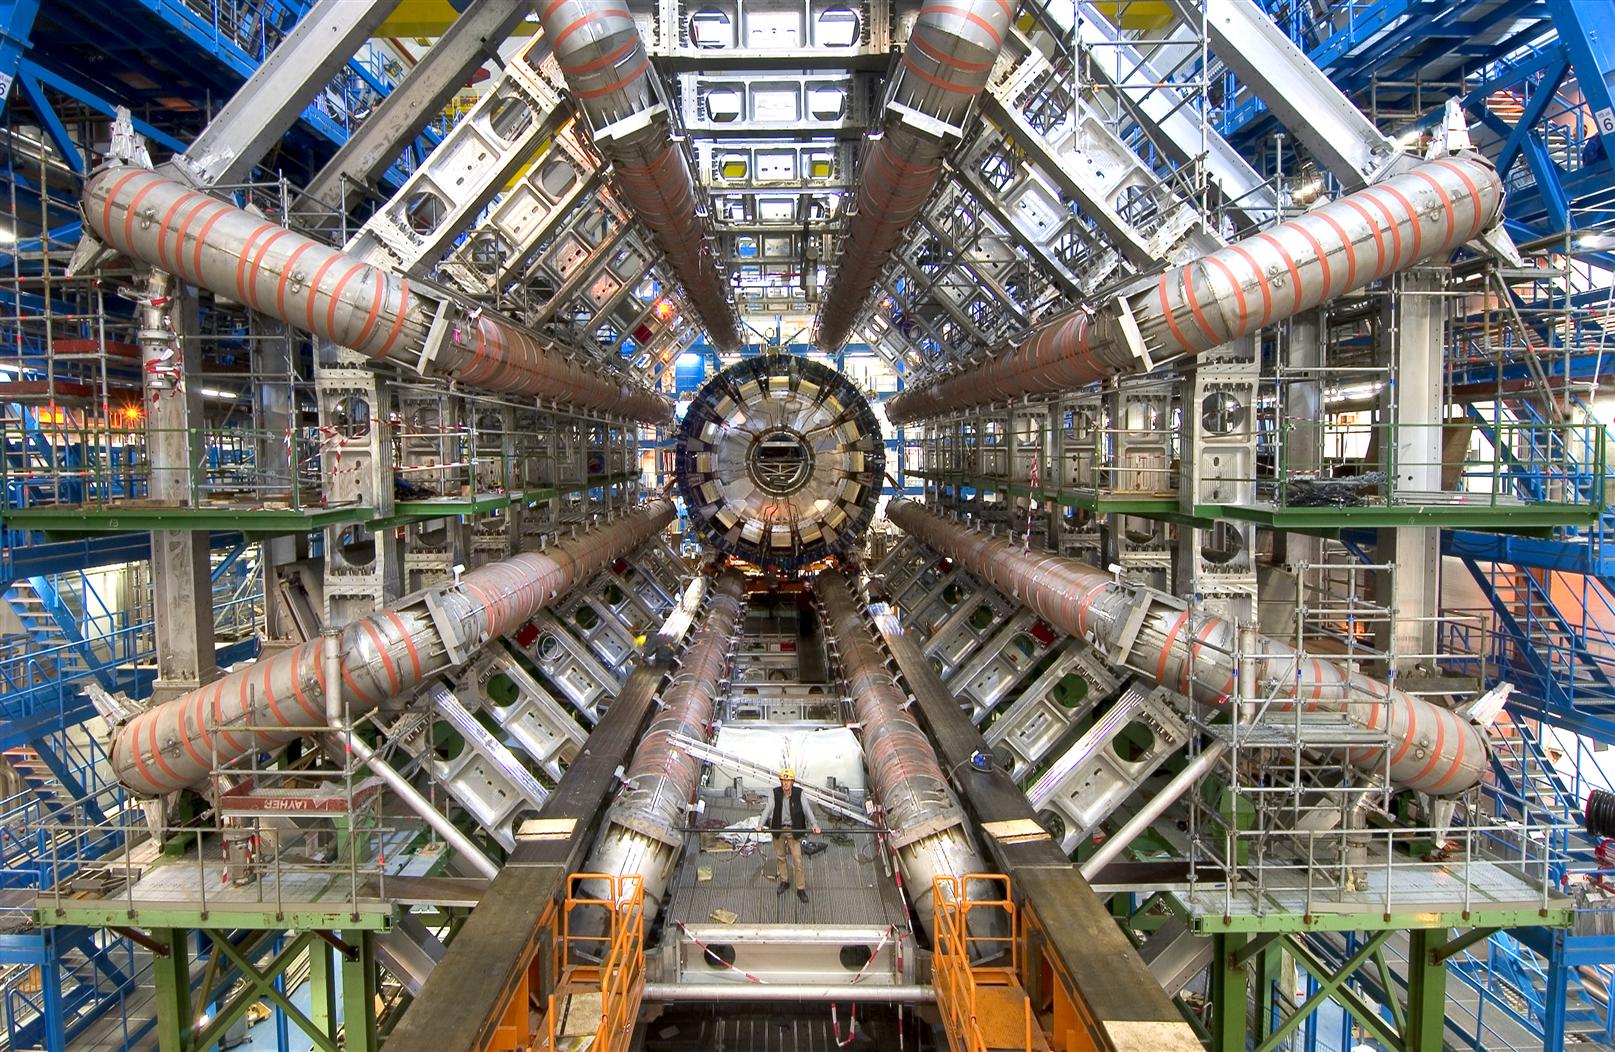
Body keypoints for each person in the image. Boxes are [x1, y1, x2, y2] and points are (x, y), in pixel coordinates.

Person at [755, 767, 820, 901]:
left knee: (797, 860)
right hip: (779, 829)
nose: (785, 783)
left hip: (793, 830)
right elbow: (768, 808)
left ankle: (800, 888)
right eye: (783, 780)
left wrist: (814, 824)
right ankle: (785, 881)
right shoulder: (775, 793)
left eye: (788, 781)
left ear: (792, 782)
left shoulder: (799, 794)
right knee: (781, 857)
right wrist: (760, 824)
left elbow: (807, 810)